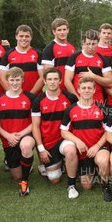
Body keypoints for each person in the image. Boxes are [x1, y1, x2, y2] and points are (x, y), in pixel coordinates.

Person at [60, 77, 110, 201]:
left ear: (94, 90)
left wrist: (97, 146)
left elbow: (108, 132)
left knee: (103, 160)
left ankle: (106, 187)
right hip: (83, 151)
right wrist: (77, 141)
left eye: (89, 88)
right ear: (78, 90)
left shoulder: (102, 108)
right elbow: (63, 132)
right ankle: (81, 175)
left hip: (98, 148)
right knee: (87, 185)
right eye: (83, 88)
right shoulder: (71, 109)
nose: (86, 90)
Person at [31, 68, 78, 196]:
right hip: (49, 142)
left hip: (65, 139)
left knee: (71, 150)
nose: (52, 82)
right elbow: (35, 126)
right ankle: (58, 164)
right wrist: (41, 149)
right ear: (45, 81)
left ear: (60, 80)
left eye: (55, 79)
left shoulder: (70, 98)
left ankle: (71, 185)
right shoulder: (38, 101)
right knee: (55, 179)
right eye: (49, 79)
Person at [0, 67, 37, 196]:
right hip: (9, 139)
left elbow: (35, 123)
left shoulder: (30, 97)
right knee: (16, 176)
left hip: (25, 135)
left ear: (22, 80)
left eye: (17, 80)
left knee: (25, 146)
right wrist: (8, 136)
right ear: (7, 80)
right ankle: (26, 166)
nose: (14, 83)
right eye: (12, 80)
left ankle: (25, 183)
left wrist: (19, 135)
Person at [64, 29, 112, 105]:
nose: (90, 47)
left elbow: (109, 82)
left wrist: (93, 76)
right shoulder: (74, 57)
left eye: (93, 44)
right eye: (88, 44)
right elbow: (67, 81)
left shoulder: (103, 59)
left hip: (98, 102)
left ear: (98, 43)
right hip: (78, 100)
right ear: (83, 43)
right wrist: (77, 98)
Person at [0, 25, 44, 96]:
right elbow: (2, 79)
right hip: (14, 97)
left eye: (27, 36)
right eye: (21, 36)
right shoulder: (8, 55)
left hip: (34, 97)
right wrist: (13, 95)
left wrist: (31, 95)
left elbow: (42, 78)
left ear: (31, 37)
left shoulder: (39, 54)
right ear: (16, 37)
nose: (24, 38)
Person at [42, 18, 76, 91]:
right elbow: (49, 73)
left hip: (72, 89)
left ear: (68, 30)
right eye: (59, 30)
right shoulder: (49, 48)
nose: (62, 32)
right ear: (54, 32)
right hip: (58, 91)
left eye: (64, 29)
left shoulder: (72, 47)